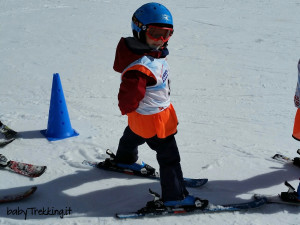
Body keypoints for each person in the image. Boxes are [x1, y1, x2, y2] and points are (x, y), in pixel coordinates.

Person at [109, 2, 204, 208]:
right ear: (139, 30)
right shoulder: (142, 66)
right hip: (155, 120)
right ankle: (175, 196)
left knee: (133, 134)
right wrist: (129, 106)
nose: (161, 40)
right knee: (169, 157)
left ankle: (124, 159)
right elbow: (129, 94)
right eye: (155, 33)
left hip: (142, 118)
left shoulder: (149, 55)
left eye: (167, 34)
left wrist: (134, 111)